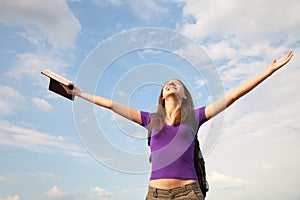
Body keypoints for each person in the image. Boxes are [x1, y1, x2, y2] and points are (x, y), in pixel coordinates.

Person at [63, 51, 293, 199]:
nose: (170, 85)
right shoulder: (150, 120)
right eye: (166, 85)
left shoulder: (195, 117)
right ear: (162, 96)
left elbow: (231, 97)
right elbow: (111, 105)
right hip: (155, 195)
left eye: (176, 84)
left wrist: (267, 72)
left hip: (189, 194)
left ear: (183, 95)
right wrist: (80, 94)